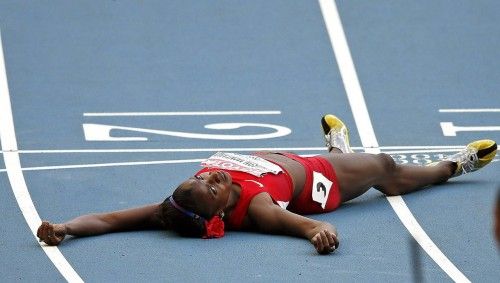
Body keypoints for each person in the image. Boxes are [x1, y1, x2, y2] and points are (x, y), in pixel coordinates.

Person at [37, 115, 497, 254]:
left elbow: (111, 219)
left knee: (363, 159)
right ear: (217, 214)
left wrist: (67, 227)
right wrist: (317, 232)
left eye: (204, 177)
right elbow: (292, 222)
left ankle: (340, 148)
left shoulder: (177, 204)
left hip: (294, 159)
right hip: (322, 180)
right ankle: (452, 168)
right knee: (383, 167)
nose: (213, 176)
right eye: (213, 187)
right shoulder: (256, 206)